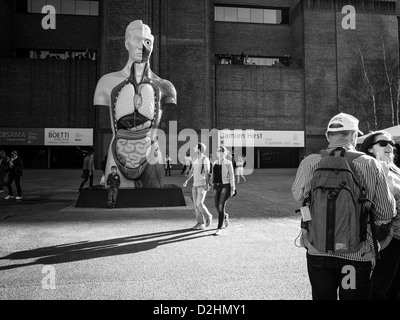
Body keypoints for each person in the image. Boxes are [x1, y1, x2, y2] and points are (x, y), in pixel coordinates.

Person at [292, 112, 396, 300]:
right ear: (354, 135)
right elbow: (386, 212)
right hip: (355, 255)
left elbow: (297, 195)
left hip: (318, 250)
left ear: (327, 136)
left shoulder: (309, 162)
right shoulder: (370, 164)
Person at [93, 20, 176, 188]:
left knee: (152, 196)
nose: (142, 47)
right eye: (136, 40)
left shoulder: (165, 87)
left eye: (147, 42)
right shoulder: (106, 83)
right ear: (126, 42)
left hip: (151, 154)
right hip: (118, 153)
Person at [360, 130, 400, 300]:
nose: (389, 146)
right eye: (383, 143)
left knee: (395, 288)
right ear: (370, 149)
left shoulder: (395, 170)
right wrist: (381, 176)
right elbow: (372, 204)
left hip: (397, 239)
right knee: (379, 288)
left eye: (391, 143)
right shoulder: (371, 170)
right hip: (386, 239)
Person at [183, 143, 213, 230]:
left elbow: (207, 173)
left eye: (195, 147)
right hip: (194, 185)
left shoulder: (205, 159)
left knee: (199, 204)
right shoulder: (195, 158)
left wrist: (207, 184)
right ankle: (200, 222)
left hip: (202, 185)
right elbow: (191, 171)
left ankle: (208, 216)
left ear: (199, 149)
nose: (193, 148)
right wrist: (186, 180)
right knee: (196, 206)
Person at [210, 146, 236, 236]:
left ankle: (219, 228)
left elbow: (232, 175)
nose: (219, 152)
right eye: (218, 151)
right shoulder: (215, 162)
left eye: (221, 151)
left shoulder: (228, 163)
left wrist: (233, 188)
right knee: (216, 206)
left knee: (221, 206)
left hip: (225, 186)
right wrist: (210, 183)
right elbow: (213, 174)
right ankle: (225, 216)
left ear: (224, 153)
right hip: (216, 186)